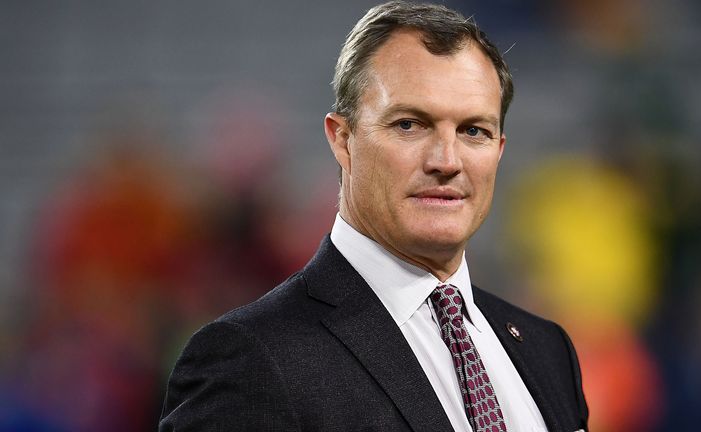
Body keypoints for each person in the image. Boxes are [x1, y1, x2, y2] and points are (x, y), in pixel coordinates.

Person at [159, 2, 589, 431]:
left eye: (473, 131)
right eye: (409, 124)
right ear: (343, 140)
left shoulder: (546, 349)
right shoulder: (252, 358)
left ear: (498, 152)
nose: (447, 160)